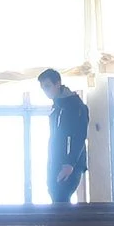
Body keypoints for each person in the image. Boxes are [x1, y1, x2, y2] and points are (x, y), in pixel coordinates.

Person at [38, 68, 88, 205]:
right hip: (57, 160)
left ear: (58, 83)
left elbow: (79, 136)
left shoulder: (75, 106)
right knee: (55, 196)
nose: (45, 91)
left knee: (60, 199)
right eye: (43, 88)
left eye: (47, 86)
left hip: (68, 162)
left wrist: (70, 163)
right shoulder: (58, 106)